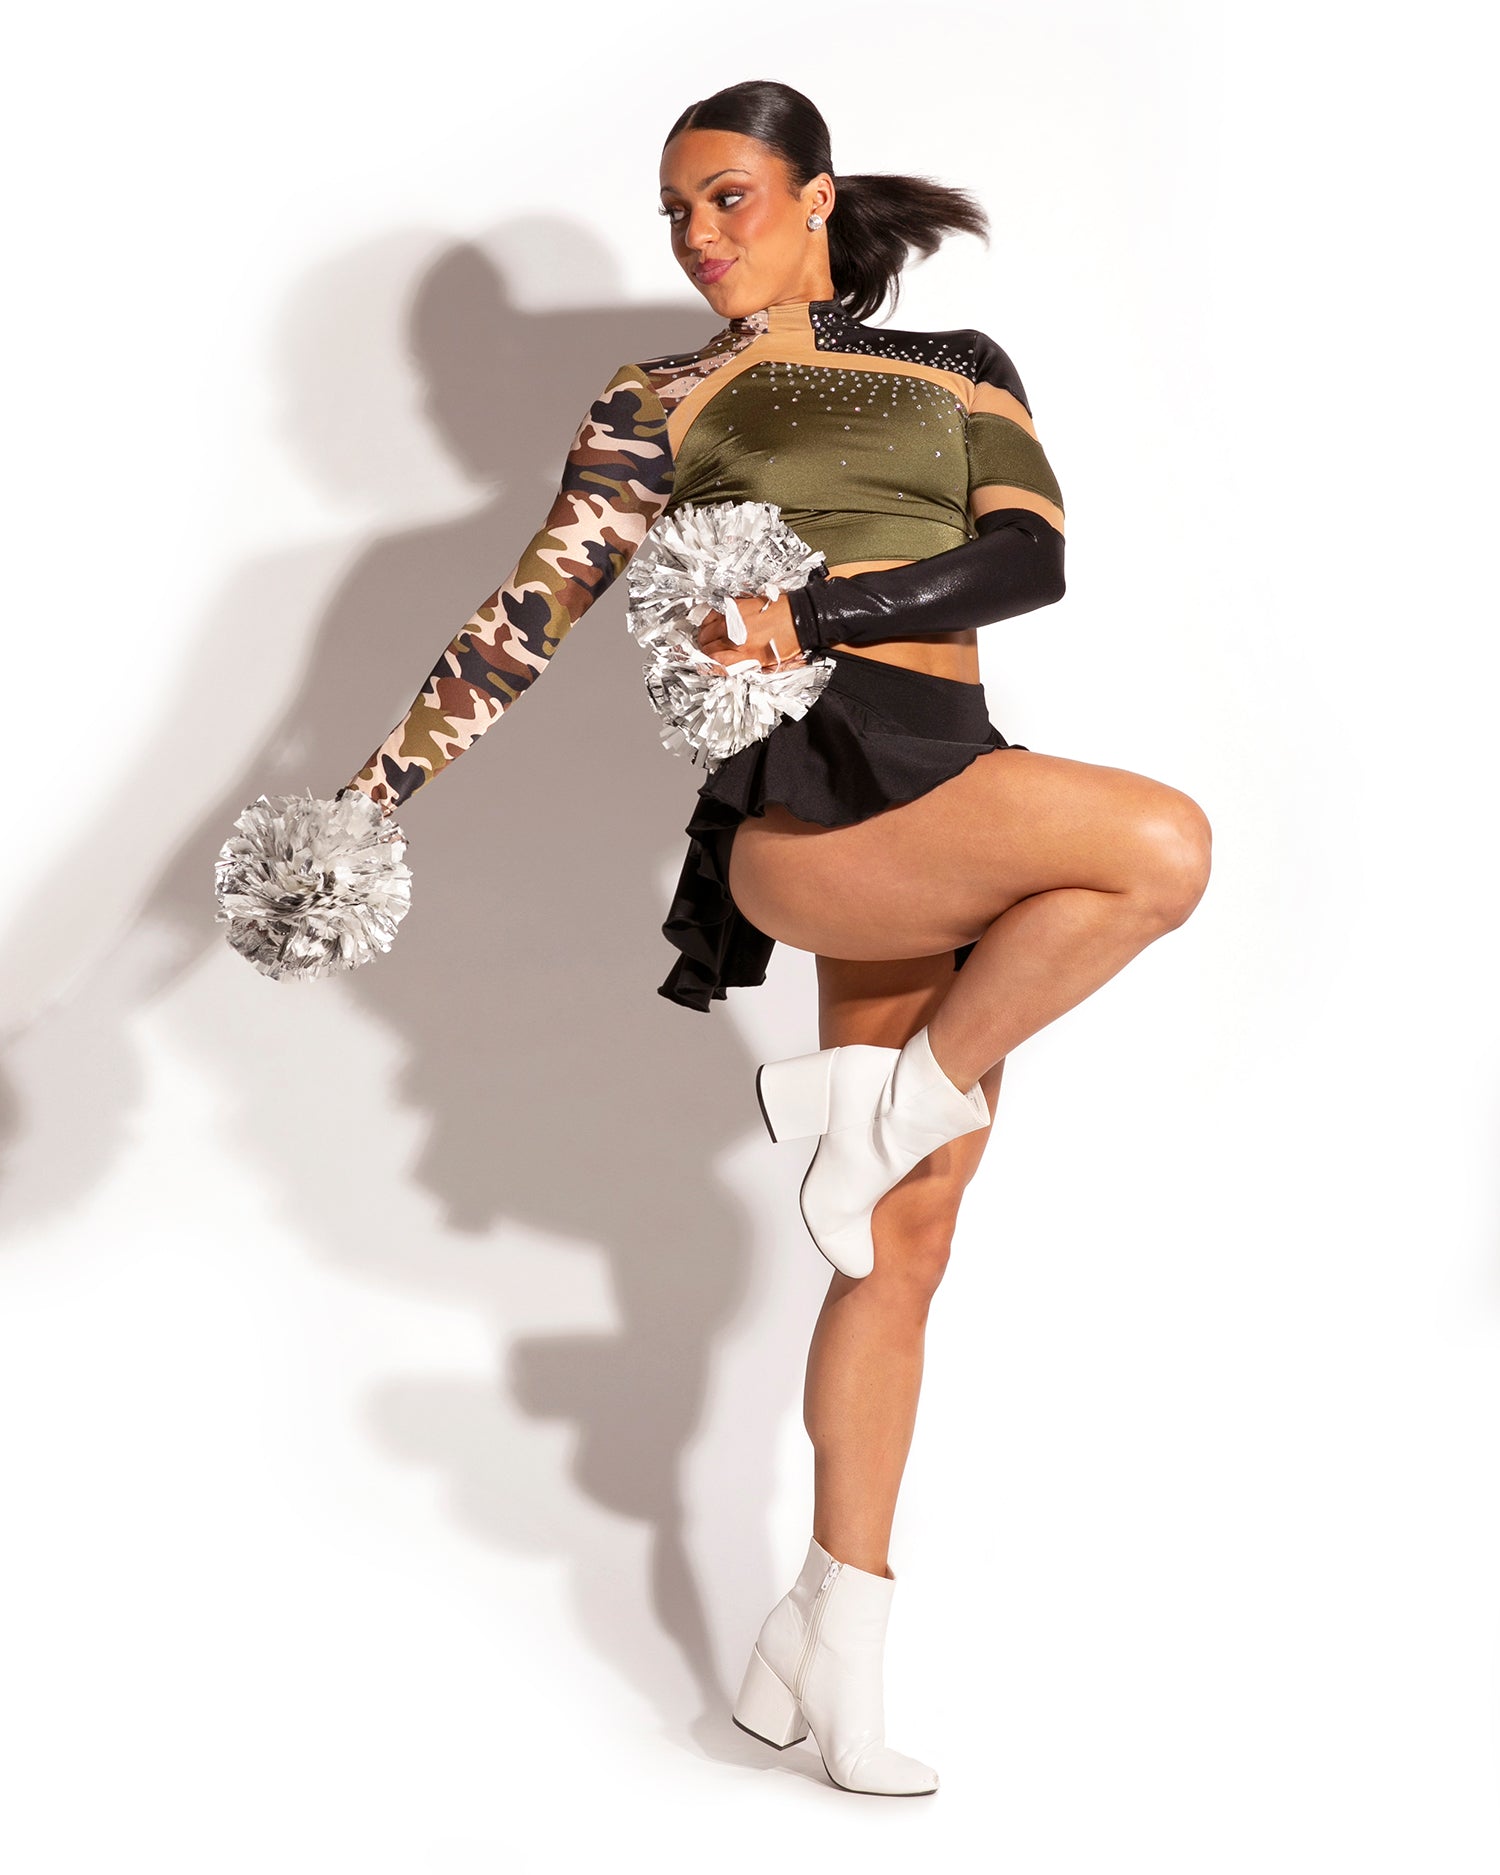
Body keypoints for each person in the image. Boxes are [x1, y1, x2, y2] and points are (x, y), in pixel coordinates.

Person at [337, 79, 1213, 1796]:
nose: (697, 235)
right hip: (815, 820)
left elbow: (1025, 562)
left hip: (956, 785)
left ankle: (827, 1638)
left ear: (816, 196)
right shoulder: (659, 399)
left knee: (901, 1244)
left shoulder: (961, 365)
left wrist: (806, 604)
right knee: (1160, 848)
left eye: (727, 195)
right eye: (675, 211)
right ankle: (884, 1106)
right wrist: (373, 798)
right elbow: (523, 620)